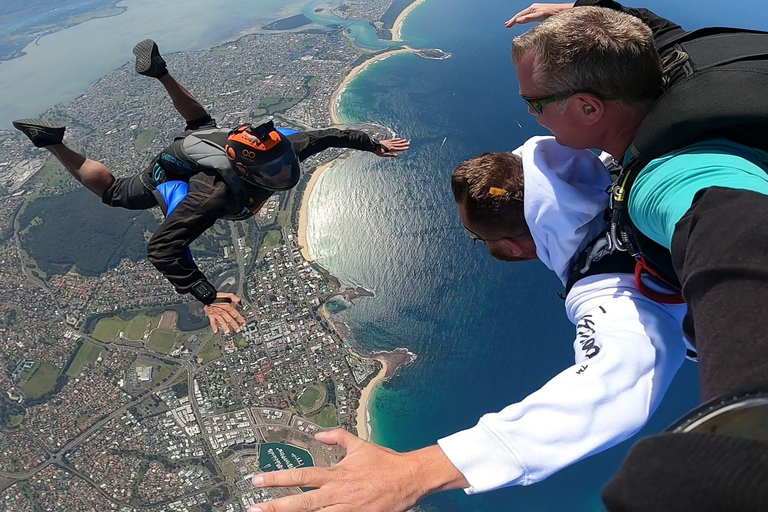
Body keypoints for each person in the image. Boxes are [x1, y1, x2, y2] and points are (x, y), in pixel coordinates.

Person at [245, 137, 692, 512]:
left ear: (516, 246)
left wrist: (415, 471)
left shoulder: (611, 288)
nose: (479, 244)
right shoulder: (619, 159)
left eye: (479, 239)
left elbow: (614, 385)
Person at [508, 2, 768, 510]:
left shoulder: (667, 179)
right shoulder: (672, 54)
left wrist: (742, 436)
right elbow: (648, 25)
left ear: (588, 108)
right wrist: (587, 11)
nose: (531, 115)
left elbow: (733, 233)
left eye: (535, 104)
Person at [13, 40, 409, 334]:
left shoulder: (284, 148)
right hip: (177, 165)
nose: (281, 177)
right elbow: (163, 248)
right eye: (271, 175)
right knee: (117, 194)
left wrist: (373, 144)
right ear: (244, 169)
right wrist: (207, 295)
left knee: (201, 124)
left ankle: (158, 70)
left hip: (212, 142)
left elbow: (332, 135)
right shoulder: (212, 193)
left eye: (282, 167)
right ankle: (52, 143)